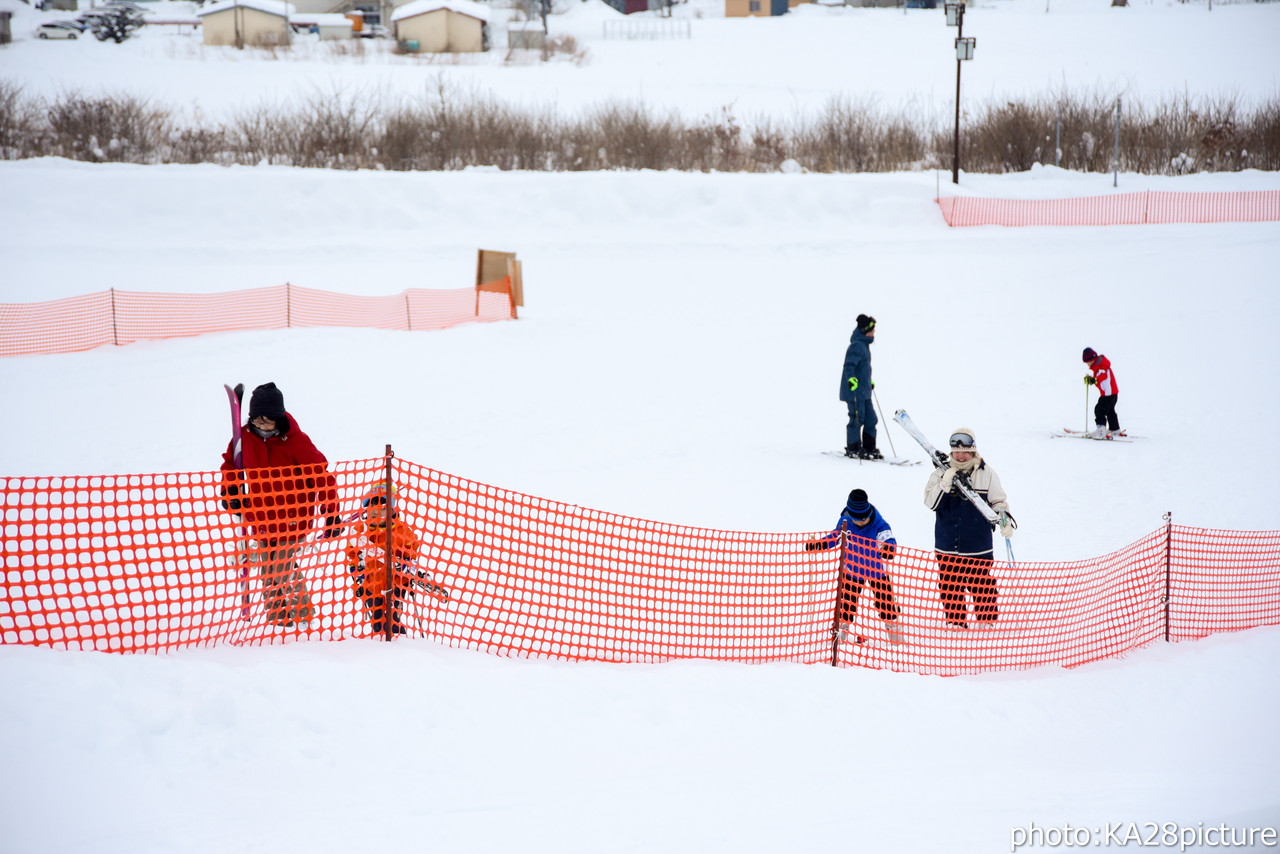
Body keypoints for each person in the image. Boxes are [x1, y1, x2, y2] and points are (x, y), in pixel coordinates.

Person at [220, 382, 339, 627]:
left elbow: (322, 476)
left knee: (281, 567)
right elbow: (230, 465)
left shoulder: (296, 442)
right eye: (257, 420)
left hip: (293, 518)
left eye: (268, 420)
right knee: (268, 571)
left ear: (279, 418)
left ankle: (303, 614)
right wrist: (230, 489)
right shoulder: (243, 439)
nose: (262, 425)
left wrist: (331, 513)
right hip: (261, 519)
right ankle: (277, 620)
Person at [923, 428, 1015, 630]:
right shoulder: (939, 473)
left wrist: (1005, 521)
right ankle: (955, 622)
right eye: (956, 451)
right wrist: (945, 483)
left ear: (973, 451)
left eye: (965, 451)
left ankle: (986, 622)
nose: (960, 455)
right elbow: (930, 503)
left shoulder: (986, 473)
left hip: (978, 545)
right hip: (947, 545)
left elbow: (998, 501)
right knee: (949, 585)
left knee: (982, 585)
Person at [807, 488, 903, 645]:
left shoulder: (879, 524)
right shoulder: (846, 520)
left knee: (885, 603)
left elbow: (888, 539)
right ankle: (840, 635)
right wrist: (819, 544)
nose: (860, 522)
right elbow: (835, 536)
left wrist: (888, 549)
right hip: (852, 569)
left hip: (877, 571)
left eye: (863, 519)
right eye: (856, 519)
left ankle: (895, 637)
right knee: (847, 603)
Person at [345, 482, 426, 636]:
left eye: (382, 511)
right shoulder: (359, 532)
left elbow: (413, 551)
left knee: (393, 618)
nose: (377, 516)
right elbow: (352, 554)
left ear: (391, 510)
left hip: (396, 583)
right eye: (373, 513)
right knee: (377, 620)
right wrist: (356, 572)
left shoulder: (401, 531)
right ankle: (379, 645)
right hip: (371, 583)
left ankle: (399, 641)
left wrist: (407, 565)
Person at [839, 314, 881, 460]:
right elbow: (849, 366)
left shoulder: (864, 345)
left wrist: (868, 382)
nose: (874, 333)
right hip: (855, 391)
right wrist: (851, 380)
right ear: (865, 330)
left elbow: (862, 369)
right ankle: (854, 448)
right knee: (857, 418)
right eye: (872, 330)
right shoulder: (857, 345)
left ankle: (869, 448)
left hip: (864, 391)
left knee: (871, 419)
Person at [1082, 347, 1121, 438]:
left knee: (1099, 409)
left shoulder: (1101, 365)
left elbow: (1103, 376)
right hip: (1112, 393)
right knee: (1110, 411)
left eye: (1088, 362)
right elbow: (1101, 378)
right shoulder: (1099, 365)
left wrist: (1094, 380)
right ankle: (1114, 429)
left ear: (1092, 359)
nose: (1087, 364)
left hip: (1108, 394)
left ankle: (1101, 430)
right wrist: (1092, 379)